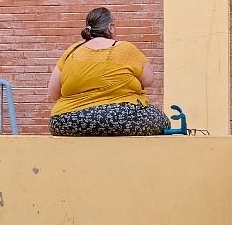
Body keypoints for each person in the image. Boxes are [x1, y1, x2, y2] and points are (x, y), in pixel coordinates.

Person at [47, 7, 168, 136]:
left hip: (67, 121)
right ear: (110, 27)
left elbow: (53, 94)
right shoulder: (125, 49)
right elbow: (149, 80)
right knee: (163, 120)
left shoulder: (72, 51)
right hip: (119, 117)